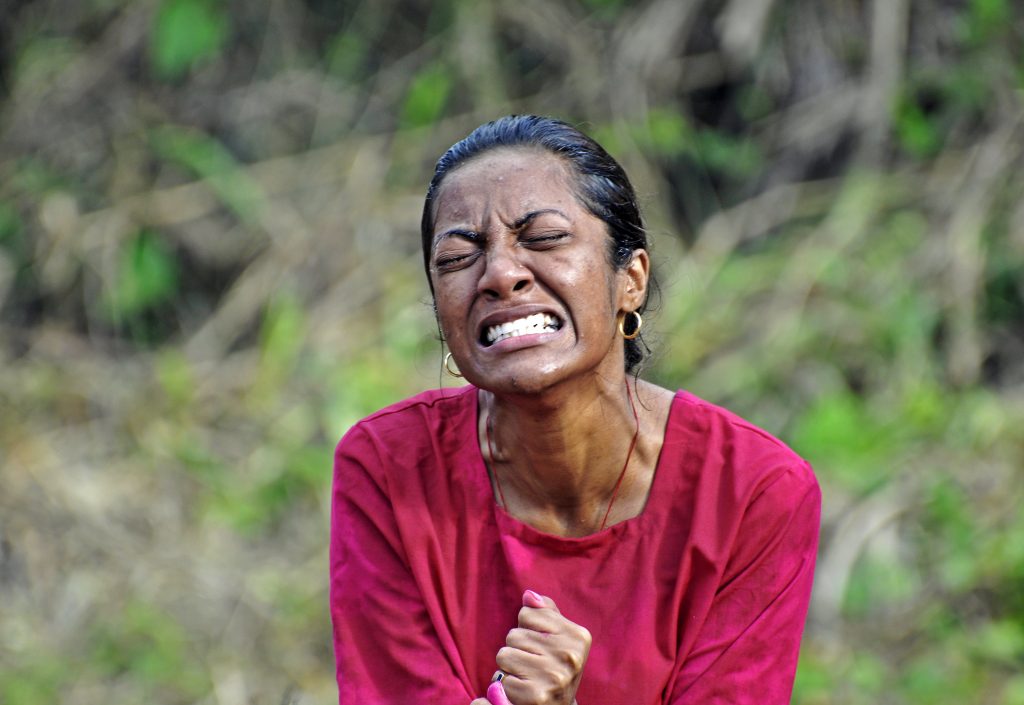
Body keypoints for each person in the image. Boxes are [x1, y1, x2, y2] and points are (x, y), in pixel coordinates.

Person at [330, 115, 820, 705]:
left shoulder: (751, 490)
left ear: (630, 280)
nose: (502, 274)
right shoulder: (390, 470)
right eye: (459, 257)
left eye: (541, 239)